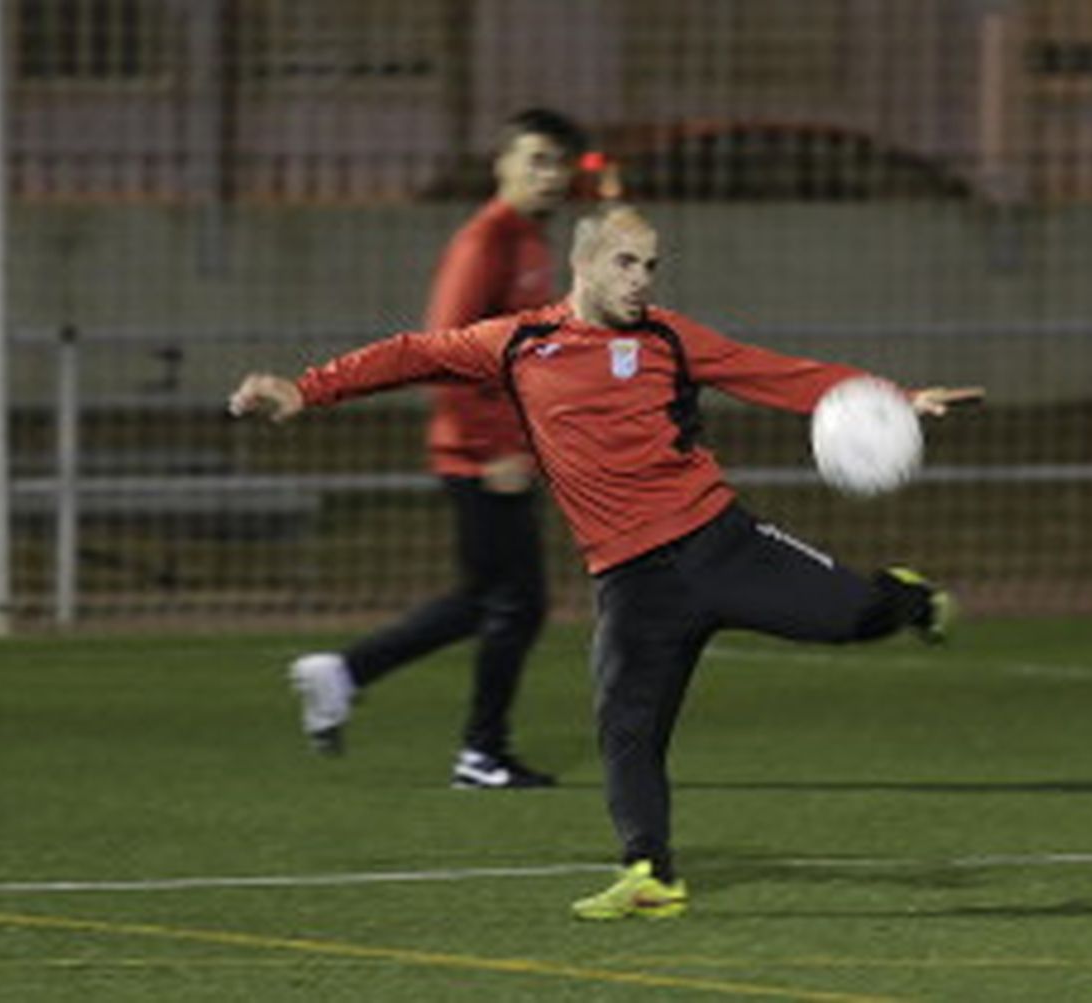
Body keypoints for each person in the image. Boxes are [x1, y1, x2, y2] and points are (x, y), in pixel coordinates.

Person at [229, 203, 983, 919]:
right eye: (625, 262)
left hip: (720, 543)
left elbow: (775, 373)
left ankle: (910, 600)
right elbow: (411, 353)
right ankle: (650, 873)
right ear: (583, 262)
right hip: (630, 579)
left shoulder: (669, 339)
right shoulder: (519, 343)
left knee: (855, 618)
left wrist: (899, 397)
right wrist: (306, 389)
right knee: (627, 728)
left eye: (651, 264)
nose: (640, 278)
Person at [285, 109, 589, 789]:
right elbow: (441, 351)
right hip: (481, 456)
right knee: (516, 603)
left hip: (507, 452)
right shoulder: (486, 241)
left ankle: (346, 673)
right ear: (501, 164)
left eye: (560, 163)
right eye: (537, 159)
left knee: (489, 598)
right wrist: (492, 448)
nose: (551, 175)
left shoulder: (531, 242)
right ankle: (480, 750)